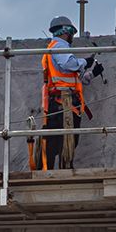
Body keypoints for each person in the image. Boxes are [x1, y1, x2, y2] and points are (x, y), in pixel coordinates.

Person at [34, 15, 105, 170]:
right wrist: (85, 62)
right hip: (62, 104)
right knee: (61, 143)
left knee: (65, 142)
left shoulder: (59, 49)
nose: (72, 36)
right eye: (71, 32)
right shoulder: (59, 47)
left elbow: (74, 78)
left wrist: (92, 73)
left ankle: (54, 171)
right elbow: (69, 64)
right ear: (66, 31)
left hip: (64, 103)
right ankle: (53, 173)